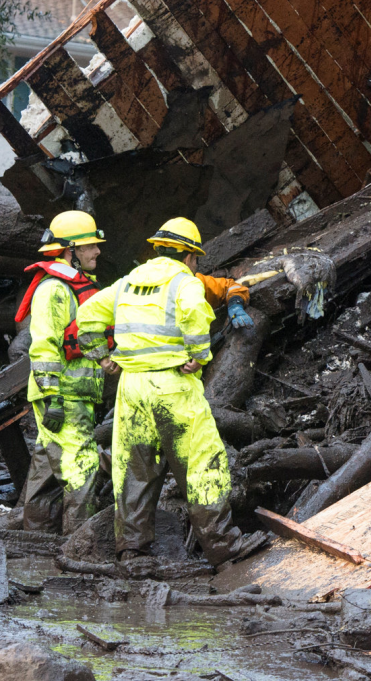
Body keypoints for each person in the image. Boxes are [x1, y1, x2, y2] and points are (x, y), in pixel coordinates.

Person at [77, 218, 265, 568]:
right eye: (196, 258)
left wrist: (101, 357)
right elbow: (195, 316)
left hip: (132, 388)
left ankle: (132, 551)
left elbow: (86, 315)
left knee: (135, 468)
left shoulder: (127, 283)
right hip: (172, 384)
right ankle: (223, 547)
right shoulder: (184, 282)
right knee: (201, 464)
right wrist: (199, 356)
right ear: (189, 256)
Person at [17, 211, 113, 533]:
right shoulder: (54, 290)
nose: (97, 251)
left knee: (46, 473)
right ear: (70, 251)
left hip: (73, 395)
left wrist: (104, 359)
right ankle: (82, 547)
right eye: (89, 246)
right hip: (63, 397)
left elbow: (84, 337)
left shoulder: (76, 287)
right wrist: (52, 396)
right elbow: (43, 348)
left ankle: (35, 542)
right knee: (81, 468)